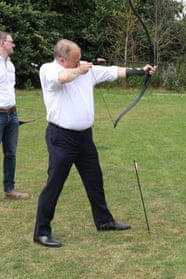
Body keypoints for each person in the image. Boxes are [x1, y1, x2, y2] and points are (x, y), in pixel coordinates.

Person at [33, 39, 157, 248]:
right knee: (54, 184)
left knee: (95, 180)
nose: (80, 62)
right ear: (62, 59)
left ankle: (104, 221)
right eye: (75, 60)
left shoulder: (85, 70)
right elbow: (63, 77)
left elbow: (114, 71)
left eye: (80, 58)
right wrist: (80, 70)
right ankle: (41, 231)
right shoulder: (49, 70)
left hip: (84, 138)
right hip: (61, 138)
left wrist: (141, 71)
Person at [0, 31, 30, 200]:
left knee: (10, 153)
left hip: (12, 114)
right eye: (11, 42)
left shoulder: (10, 64)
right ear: (2, 43)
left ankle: (9, 190)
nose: (14, 45)